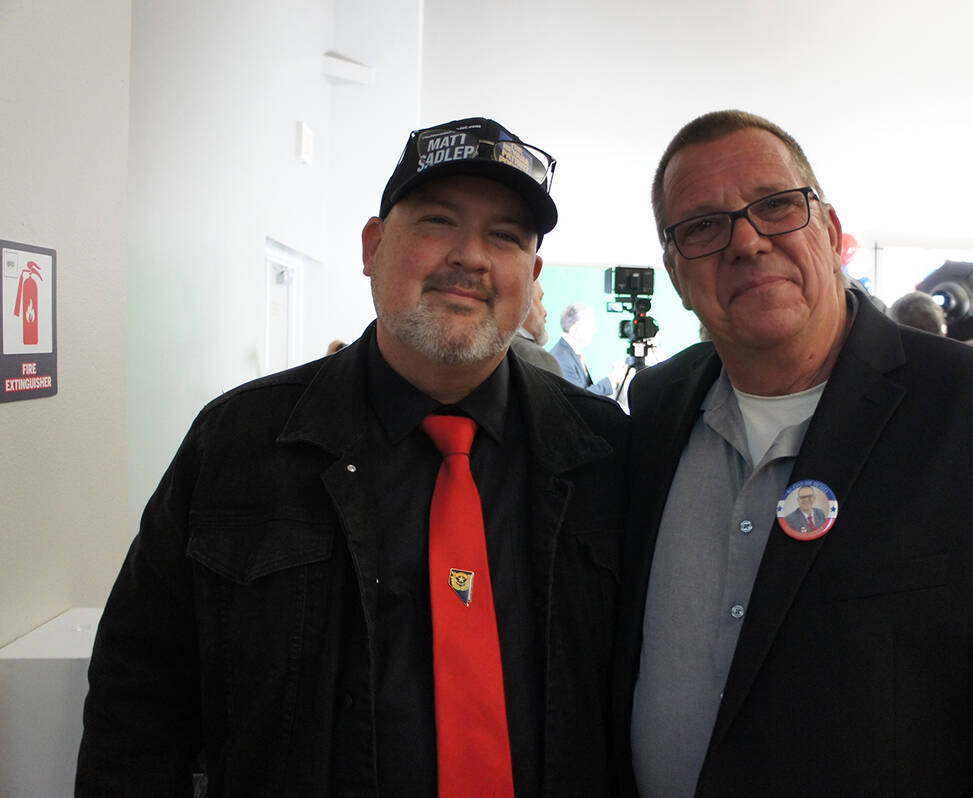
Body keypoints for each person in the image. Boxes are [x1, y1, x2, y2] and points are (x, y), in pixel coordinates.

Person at [76, 116, 627, 797]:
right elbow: (139, 696)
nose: (471, 257)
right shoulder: (239, 444)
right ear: (373, 245)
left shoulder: (605, 454)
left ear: (532, 275)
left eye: (505, 236)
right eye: (436, 222)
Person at [614, 109, 973, 797]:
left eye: (774, 206)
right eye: (704, 225)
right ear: (676, 272)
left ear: (828, 233)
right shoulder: (654, 411)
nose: (747, 242)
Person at [551, 303, 614, 395]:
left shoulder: (570, 354)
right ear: (575, 330)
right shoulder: (561, 358)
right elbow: (579, 397)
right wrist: (612, 380)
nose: (594, 330)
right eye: (590, 325)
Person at [510, 278, 562, 375]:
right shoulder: (535, 357)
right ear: (521, 303)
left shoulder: (488, 350)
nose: (545, 312)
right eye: (540, 299)